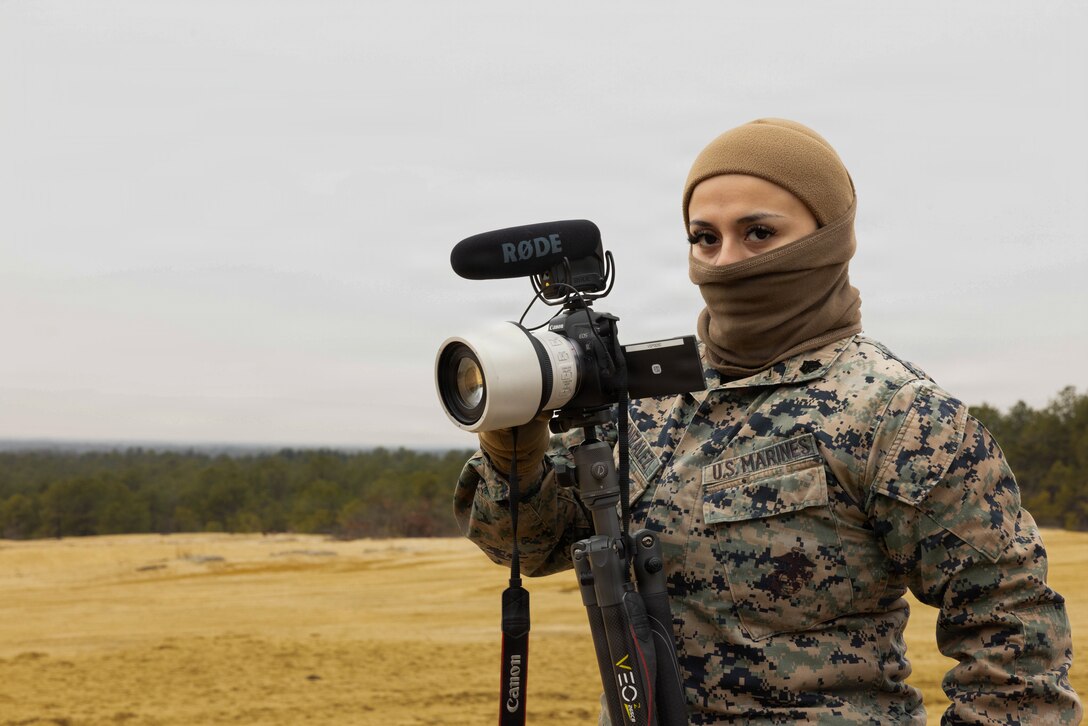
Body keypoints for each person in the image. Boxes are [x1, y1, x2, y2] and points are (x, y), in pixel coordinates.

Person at [452, 118, 1082, 724]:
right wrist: (515, 449)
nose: (726, 261)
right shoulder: (647, 397)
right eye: (705, 237)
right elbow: (527, 545)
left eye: (758, 233)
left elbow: (1013, 632)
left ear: (827, 237)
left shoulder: (898, 414)